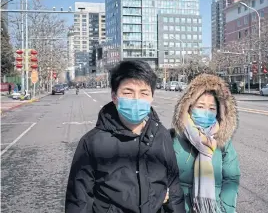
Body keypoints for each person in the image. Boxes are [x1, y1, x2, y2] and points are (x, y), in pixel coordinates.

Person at [65, 61, 185, 213]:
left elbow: (174, 189)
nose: (136, 99)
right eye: (128, 93)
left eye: (144, 93)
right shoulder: (92, 143)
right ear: (114, 97)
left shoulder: (162, 136)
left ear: (151, 98)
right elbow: (79, 201)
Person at [170, 74, 240, 213]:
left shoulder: (222, 141)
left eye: (212, 108)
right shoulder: (173, 138)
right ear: (189, 107)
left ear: (219, 112)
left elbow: (231, 178)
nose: (206, 112)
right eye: (200, 106)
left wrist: (225, 209)